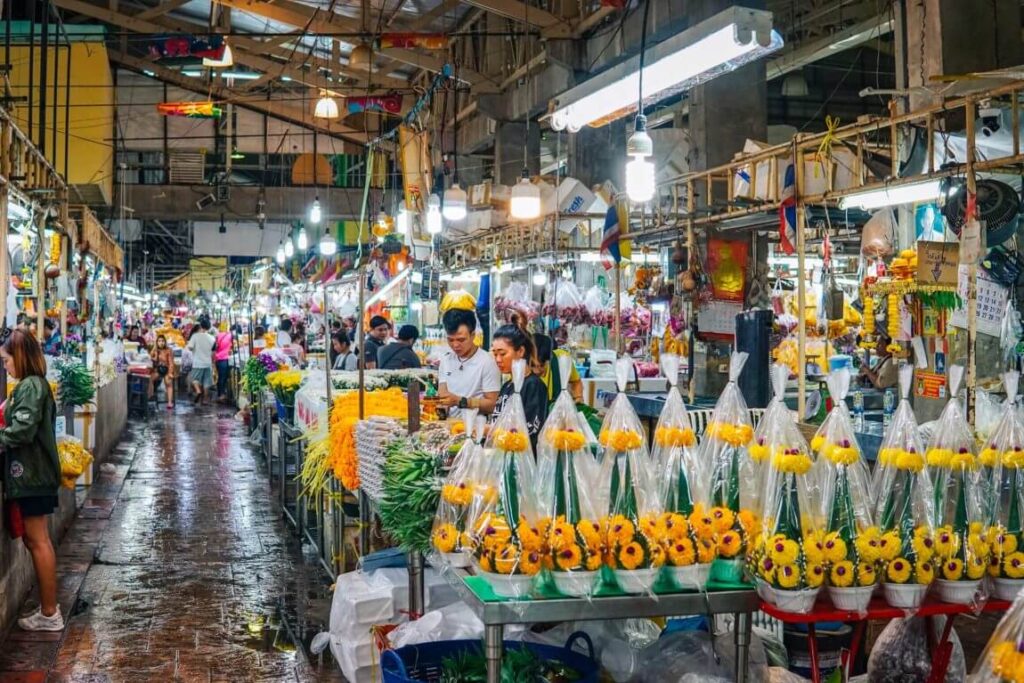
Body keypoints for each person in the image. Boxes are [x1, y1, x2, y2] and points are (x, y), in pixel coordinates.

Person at [0, 328, 62, 631]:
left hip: (33, 474)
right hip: (33, 473)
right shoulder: (30, 386)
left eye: (6, 360)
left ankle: (50, 614)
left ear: (20, 357)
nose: (5, 366)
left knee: (38, 541)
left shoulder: (31, 386)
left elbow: (22, 430)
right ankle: (49, 611)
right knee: (36, 540)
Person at [490, 320, 549, 448]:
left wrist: (490, 431)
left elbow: (531, 431)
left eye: (502, 353)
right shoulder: (507, 386)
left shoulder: (534, 386)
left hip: (523, 461)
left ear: (521, 351)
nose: (498, 360)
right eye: (495, 354)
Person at [437, 308, 500, 418]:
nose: (455, 345)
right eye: (450, 340)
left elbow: (493, 404)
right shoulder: (446, 360)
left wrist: (461, 401)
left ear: (473, 335)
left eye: (461, 340)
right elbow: (442, 395)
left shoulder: (487, 362)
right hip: (449, 427)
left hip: (476, 429)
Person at [533, 333, 583, 403]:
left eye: (541, 365)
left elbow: (576, 381)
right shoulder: (517, 370)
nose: (537, 371)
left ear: (550, 358)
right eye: (532, 365)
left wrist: (578, 396)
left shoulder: (562, 359)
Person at [186, 319, 215, 405]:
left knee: (194, 379)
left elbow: (190, 347)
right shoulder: (212, 338)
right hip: (208, 362)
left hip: (197, 362)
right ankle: (205, 399)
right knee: (206, 382)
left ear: (201, 326)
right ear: (209, 327)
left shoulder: (195, 336)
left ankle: (198, 391)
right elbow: (213, 351)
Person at [150, 334, 176, 410]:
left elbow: (171, 363)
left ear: (165, 342)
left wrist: (170, 372)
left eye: (162, 341)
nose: (161, 343)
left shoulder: (168, 350)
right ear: (157, 342)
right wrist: (155, 350)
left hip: (166, 369)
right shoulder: (155, 350)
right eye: (159, 341)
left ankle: (170, 402)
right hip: (158, 370)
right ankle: (150, 396)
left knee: (168, 383)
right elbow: (151, 358)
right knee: (150, 379)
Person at [213, 324, 233, 402]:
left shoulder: (218, 336)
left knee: (220, 377)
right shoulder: (230, 335)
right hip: (225, 358)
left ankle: (220, 393)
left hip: (218, 358)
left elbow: (214, 347)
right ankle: (221, 394)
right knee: (223, 377)